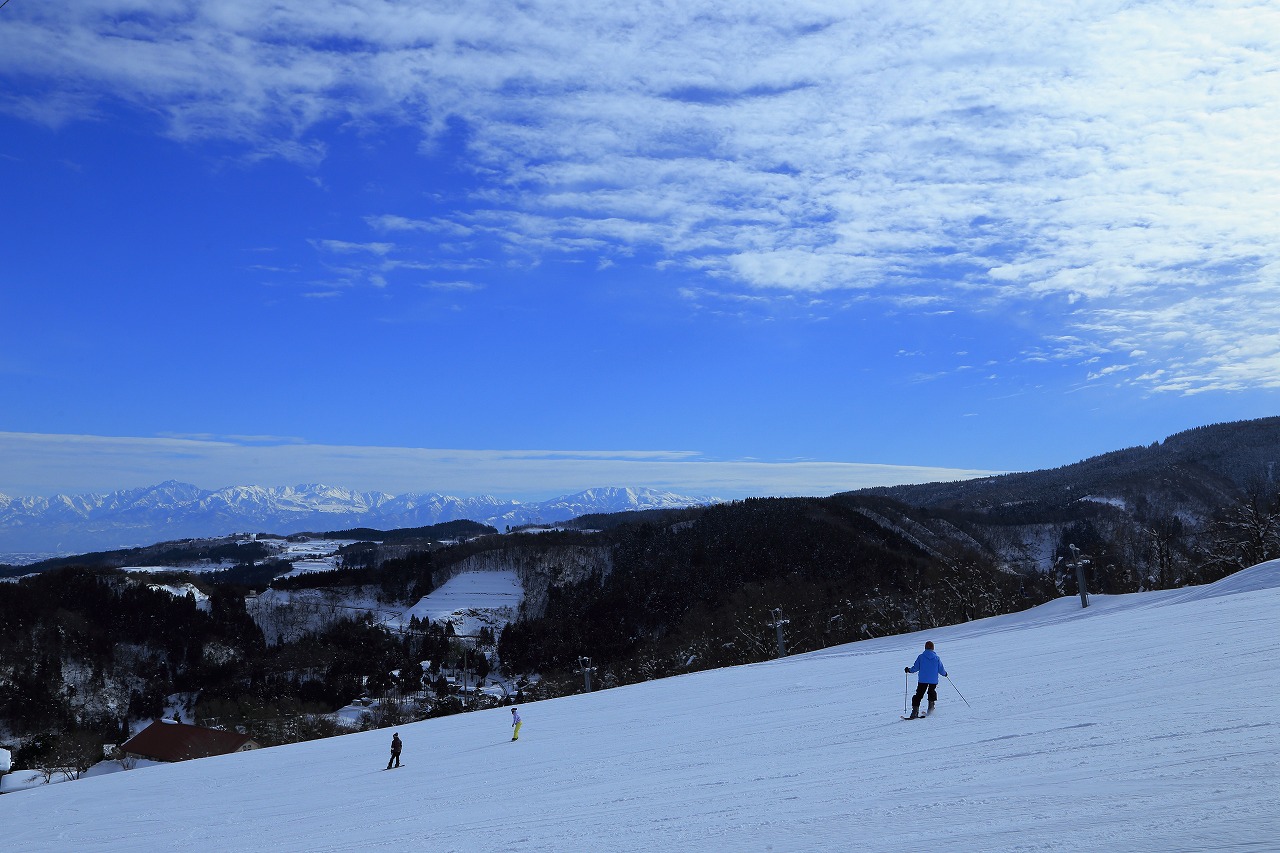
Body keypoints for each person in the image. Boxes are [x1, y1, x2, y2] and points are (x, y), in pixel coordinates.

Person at [904, 641, 947, 719]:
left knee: (919, 695)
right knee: (931, 692)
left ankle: (915, 712)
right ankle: (931, 709)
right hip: (933, 680)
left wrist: (909, 670)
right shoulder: (936, 658)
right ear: (933, 648)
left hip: (923, 680)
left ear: (925, 647)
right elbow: (941, 669)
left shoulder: (921, 657)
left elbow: (915, 668)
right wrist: (945, 674)